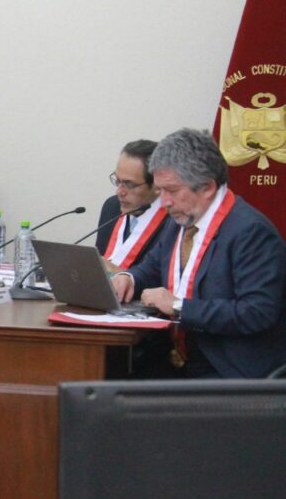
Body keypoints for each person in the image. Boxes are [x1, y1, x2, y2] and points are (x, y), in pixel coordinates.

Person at [112, 128, 286, 378]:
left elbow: (256, 312)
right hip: (178, 355)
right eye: (160, 191)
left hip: (229, 368)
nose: (164, 202)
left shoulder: (251, 232)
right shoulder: (181, 218)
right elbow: (153, 266)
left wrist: (179, 306)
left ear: (207, 188)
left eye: (172, 190)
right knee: (106, 378)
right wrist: (129, 278)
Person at [94, 139, 171, 271]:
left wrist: (121, 275)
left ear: (156, 184)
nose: (119, 191)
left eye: (129, 184)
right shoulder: (111, 207)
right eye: (117, 181)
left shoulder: (172, 222)